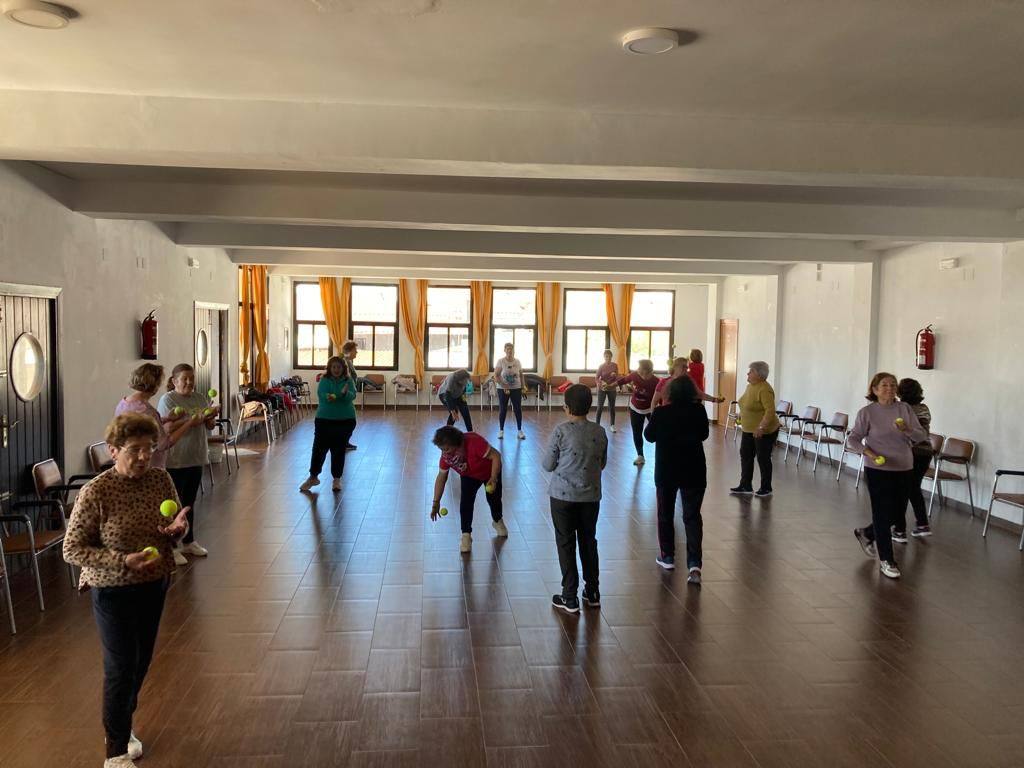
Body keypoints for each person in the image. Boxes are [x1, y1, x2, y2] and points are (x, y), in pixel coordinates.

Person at [62, 413, 190, 768]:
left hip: (155, 582)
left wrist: (177, 530)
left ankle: (122, 724)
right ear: (113, 450)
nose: (144, 457)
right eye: (134, 450)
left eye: (149, 448)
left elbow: (170, 523)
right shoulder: (96, 491)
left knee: (140, 662)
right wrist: (122, 561)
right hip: (112, 588)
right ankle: (115, 752)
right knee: (120, 667)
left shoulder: (160, 480)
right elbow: (71, 549)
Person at [850, 372, 927, 579]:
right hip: (877, 469)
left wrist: (907, 429)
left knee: (896, 514)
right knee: (882, 512)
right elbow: (853, 440)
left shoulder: (905, 409)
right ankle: (887, 560)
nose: (890, 389)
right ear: (874, 390)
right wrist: (870, 453)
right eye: (884, 385)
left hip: (903, 467)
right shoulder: (867, 412)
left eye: (893, 385)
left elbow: (921, 436)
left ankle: (866, 533)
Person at [541, 384, 608, 614]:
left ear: (566, 407)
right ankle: (593, 591)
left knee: (565, 542)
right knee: (589, 541)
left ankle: (569, 596)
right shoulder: (599, 431)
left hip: (562, 496)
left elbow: (548, 465)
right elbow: (602, 463)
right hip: (591, 495)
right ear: (590, 406)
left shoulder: (561, 431)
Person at [645, 376, 710, 584]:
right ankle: (694, 565)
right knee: (692, 517)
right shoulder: (699, 411)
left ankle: (668, 556)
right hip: (694, 469)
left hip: (667, 470)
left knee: (665, 513)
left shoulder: (662, 412)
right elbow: (704, 434)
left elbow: (649, 436)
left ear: (670, 392)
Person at [157, 363, 217, 565]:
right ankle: (172, 545)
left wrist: (210, 418)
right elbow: (166, 427)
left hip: (196, 456)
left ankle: (189, 541)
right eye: (185, 379)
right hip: (176, 459)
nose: (189, 382)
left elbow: (209, 425)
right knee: (175, 505)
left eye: (192, 378)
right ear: (174, 381)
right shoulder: (168, 399)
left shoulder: (200, 397)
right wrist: (192, 420)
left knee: (190, 502)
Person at [429, 426, 507, 552]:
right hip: (469, 475)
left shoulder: (474, 442)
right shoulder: (446, 457)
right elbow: (441, 477)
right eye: (441, 449)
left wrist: (493, 477)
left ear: (456, 444)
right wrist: (435, 502)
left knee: (494, 499)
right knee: (466, 503)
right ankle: (466, 535)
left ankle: (497, 520)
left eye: (447, 448)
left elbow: (496, 456)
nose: (444, 452)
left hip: (490, 472)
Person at [114, 363, 192, 470]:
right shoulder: (148, 410)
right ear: (155, 385)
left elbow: (141, 425)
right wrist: (189, 423)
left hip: (128, 464)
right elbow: (163, 444)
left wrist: (167, 419)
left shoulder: (123, 403)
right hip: (148, 468)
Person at [300, 356, 357, 492]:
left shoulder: (348, 380)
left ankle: (337, 479)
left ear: (343, 369)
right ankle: (313, 477)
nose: (336, 370)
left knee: (338, 450)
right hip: (324, 420)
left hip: (345, 420)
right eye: (334, 367)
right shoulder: (324, 380)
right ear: (330, 368)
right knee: (319, 449)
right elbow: (323, 396)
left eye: (339, 367)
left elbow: (352, 395)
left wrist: (344, 395)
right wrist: (337, 395)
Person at [730, 361, 781, 498]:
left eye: (751, 371)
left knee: (763, 458)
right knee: (746, 455)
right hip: (748, 429)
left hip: (764, 430)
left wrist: (761, 427)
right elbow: (747, 404)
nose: (748, 373)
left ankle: (766, 487)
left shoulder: (764, 389)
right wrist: (741, 415)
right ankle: (745, 485)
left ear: (758, 374)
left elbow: (770, 411)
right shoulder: (750, 386)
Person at [898, 377, 934, 538]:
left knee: (902, 490)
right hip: (925, 453)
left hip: (910, 452)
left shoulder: (902, 409)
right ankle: (922, 524)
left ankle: (899, 529)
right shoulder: (924, 408)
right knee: (914, 488)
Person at [612, 359, 659, 466]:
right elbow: (622, 381)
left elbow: (660, 397)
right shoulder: (634, 375)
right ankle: (640, 455)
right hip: (635, 408)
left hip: (650, 409)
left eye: (640, 369)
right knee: (637, 432)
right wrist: (611, 385)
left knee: (657, 432)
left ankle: (661, 454)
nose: (638, 370)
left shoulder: (656, 381)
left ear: (648, 371)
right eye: (638, 369)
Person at [650, 357, 724, 409]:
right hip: (669, 416)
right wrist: (653, 421)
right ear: (675, 367)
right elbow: (654, 402)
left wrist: (714, 400)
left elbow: (699, 394)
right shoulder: (664, 382)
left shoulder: (689, 380)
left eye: (687, 367)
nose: (686, 369)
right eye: (683, 366)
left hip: (686, 416)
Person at [494, 342, 525, 440]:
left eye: (511, 349)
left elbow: (521, 375)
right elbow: (496, 375)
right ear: (505, 350)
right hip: (503, 388)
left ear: (513, 350)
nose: (509, 351)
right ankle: (501, 431)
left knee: (517, 409)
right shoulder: (501, 361)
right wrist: (504, 385)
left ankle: (519, 431)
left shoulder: (518, 362)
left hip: (516, 388)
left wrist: (523, 387)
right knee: (503, 409)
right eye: (507, 349)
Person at [594, 349, 619, 432]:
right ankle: (597, 425)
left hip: (611, 388)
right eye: (606, 356)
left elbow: (617, 378)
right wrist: (599, 383)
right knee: (600, 407)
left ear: (611, 357)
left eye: (609, 356)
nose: (607, 358)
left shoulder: (615, 365)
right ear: (604, 357)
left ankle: (612, 425)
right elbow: (597, 378)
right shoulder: (601, 366)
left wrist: (615, 375)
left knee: (612, 407)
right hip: (602, 388)